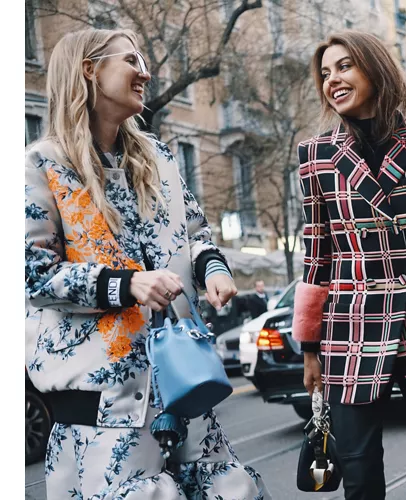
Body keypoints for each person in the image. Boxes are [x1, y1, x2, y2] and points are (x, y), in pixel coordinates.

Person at [24, 29, 268, 499]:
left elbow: (195, 234)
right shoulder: (40, 165)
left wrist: (213, 268)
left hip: (182, 381)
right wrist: (126, 285)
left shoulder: (156, 158)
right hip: (103, 401)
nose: (145, 71)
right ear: (89, 69)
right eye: (131, 59)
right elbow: (31, 273)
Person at [290, 31, 406, 500]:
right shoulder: (315, 155)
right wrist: (309, 346)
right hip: (351, 324)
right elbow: (317, 251)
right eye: (325, 73)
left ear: (374, 69)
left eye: (344, 67)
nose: (332, 80)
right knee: (358, 472)